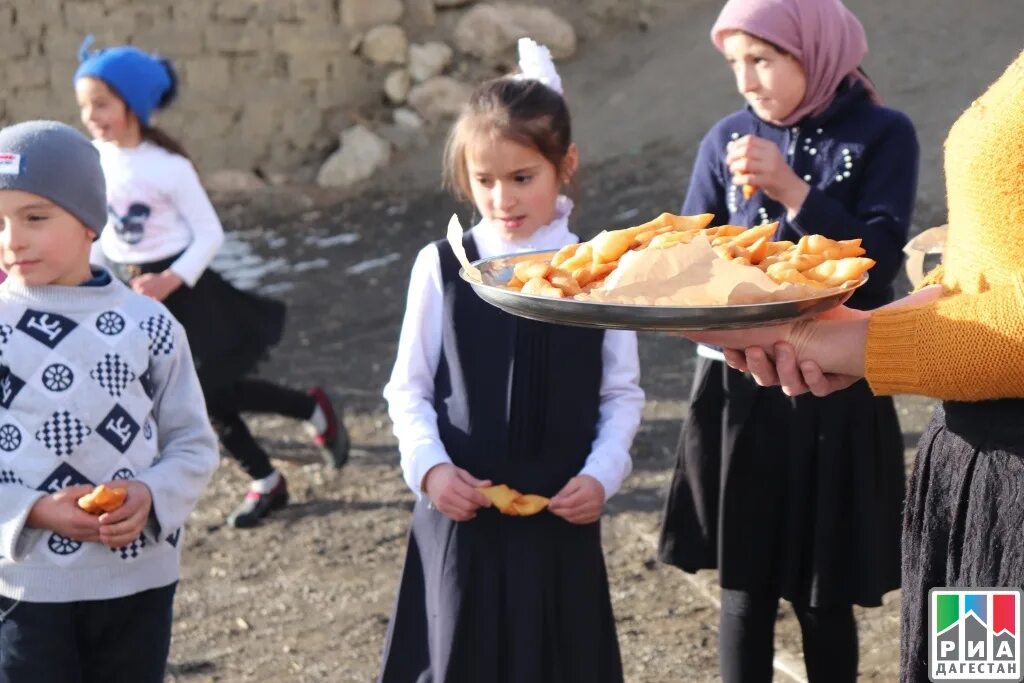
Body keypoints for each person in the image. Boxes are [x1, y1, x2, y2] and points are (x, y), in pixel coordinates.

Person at [687, 49, 1024, 683]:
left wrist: (859, 345)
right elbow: (991, 262)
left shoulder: (881, 131)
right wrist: (869, 329)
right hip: (981, 502)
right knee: (971, 670)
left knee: (827, 587)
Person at [656, 1, 920, 680]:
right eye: (735, 63)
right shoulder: (725, 139)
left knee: (823, 592)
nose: (747, 79)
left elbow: (879, 261)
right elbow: (686, 259)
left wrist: (794, 192)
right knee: (743, 590)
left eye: (763, 59)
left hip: (836, 387)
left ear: (818, 52)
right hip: (737, 388)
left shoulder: (884, 133)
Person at [378, 39, 645, 682]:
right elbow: (407, 390)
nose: (502, 199)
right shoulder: (441, 267)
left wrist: (603, 475)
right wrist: (431, 471)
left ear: (565, 166)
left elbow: (622, 394)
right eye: (485, 181)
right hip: (460, 523)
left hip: (557, 524)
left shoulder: (600, 273)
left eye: (522, 177)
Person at [72, 39, 350, 528]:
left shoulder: (168, 167)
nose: (91, 115)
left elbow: (209, 232)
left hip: (191, 294)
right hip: (135, 294)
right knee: (206, 393)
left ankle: (266, 476)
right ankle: (308, 411)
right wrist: (93, 283)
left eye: (101, 104)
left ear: (132, 105)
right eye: (84, 106)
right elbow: (97, 232)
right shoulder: (94, 159)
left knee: (200, 395)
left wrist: (171, 279)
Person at [0, 120, 219, 682]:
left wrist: (149, 494)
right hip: (24, 589)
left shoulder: (150, 325)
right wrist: (35, 512)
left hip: (138, 585)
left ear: (89, 221)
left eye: (34, 217)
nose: (12, 239)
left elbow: (192, 442)